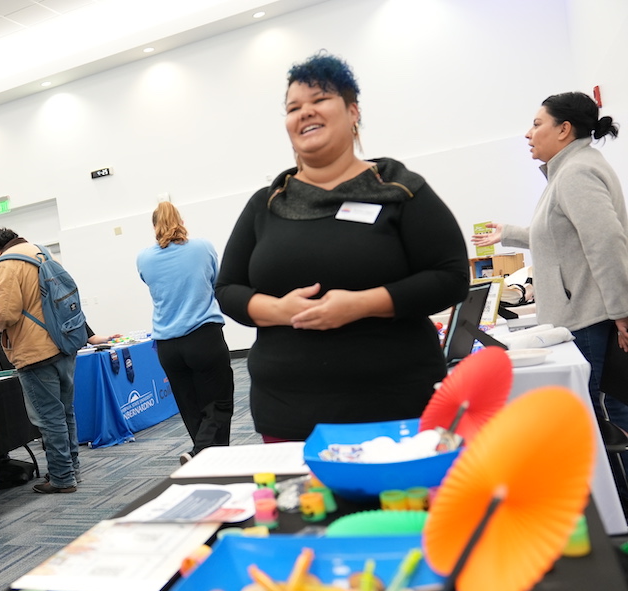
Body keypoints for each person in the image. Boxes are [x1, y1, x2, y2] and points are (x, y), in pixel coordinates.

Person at [215, 52, 469, 442]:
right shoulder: (266, 205)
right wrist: (279, 310)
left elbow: (450, 277)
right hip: (288, 413)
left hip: (397, 406)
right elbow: (228, 289)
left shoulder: (399, 190)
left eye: (319, 100)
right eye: (293, 107)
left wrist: (361, 304)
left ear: (353, 112)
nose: (305, 112)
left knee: (403, 503)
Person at [472, 91, 628, 428]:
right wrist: (509, 232)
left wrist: (621, 311)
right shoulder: (571, 169)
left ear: (564, 129)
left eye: (536, 124)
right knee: (609, 415)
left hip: (589, 317)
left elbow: (606, 242)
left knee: (600, 420)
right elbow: (563, 238)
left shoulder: (575, 173)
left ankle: (610, 483)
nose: (528, 134)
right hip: (588, 314)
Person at [0, 227, 81, 493]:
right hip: (63, 342)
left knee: (48, 418)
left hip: (35, 350)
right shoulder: (40, 250)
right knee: (65, 412)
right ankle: (72, 468)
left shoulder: (6, 264)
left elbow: (3, 315)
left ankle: (62, 477)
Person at [137, 201, 234, 464]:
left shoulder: (144, 258)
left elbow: (150, 283)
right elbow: (214, 281)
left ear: (155, 226)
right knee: (219, 402)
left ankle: (205, 459)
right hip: (203, 336)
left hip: (168, 346)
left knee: (190, 406)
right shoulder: (203, 248)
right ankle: (202, 452)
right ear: (181, 220)